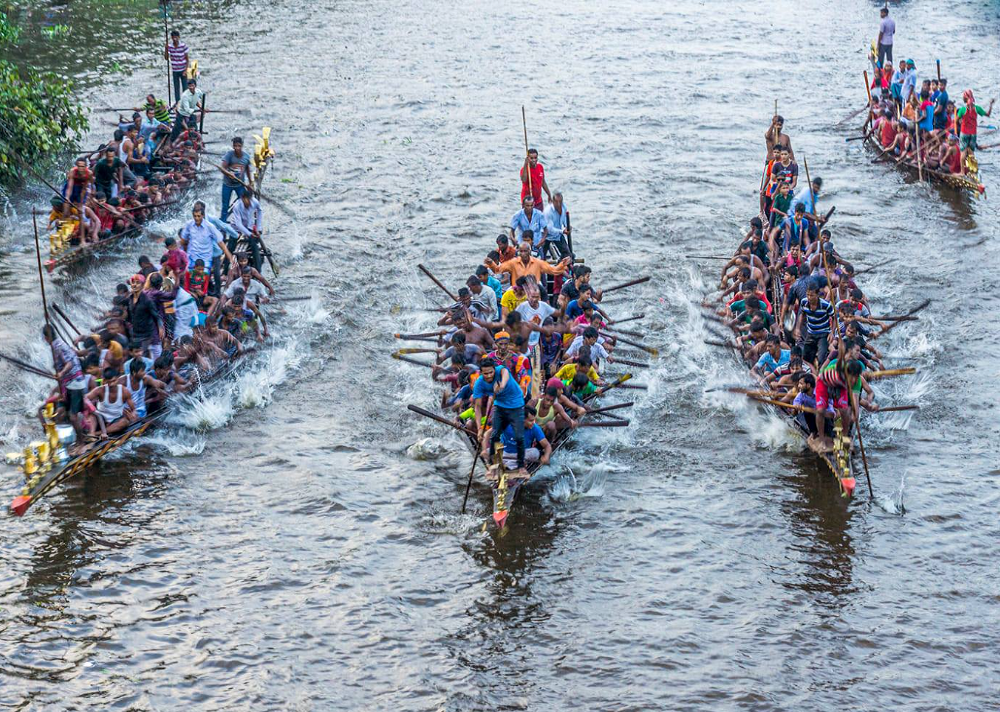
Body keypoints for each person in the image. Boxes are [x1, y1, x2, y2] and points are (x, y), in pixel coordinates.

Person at [472, 357, 528, 480]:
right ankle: (493, 466)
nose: (488, 376)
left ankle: (521, 466)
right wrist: (479, 428)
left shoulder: (501, 370)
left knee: (519, 437)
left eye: (491, 372)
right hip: (500, 405)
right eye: (485, 373)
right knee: (495, 435)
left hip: (516, 405)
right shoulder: (479, 383)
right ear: (481, 373)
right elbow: (477, 407)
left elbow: (505, 373)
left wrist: (501, 386)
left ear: (494, 370)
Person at [44, 323, 88, 447]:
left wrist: (61, 373)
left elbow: (69, 364)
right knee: (60, 412)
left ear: (46, 338)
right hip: (68, 383)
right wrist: (59, 373)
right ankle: (63, 441)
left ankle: (81, 442)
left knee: (73, 416)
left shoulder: (58, 346)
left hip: (75, 383)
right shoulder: (56, 345)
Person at [180, 205, 232, 295]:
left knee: (203, 280)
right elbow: (183, 240)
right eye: (195, 216)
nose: (196, 218)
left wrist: (230, 257)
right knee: (186, 278)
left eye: (198, 216)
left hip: (205, 259)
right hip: (192, 258)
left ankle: (206, 295)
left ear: (203, 215)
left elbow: (220, 243)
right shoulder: (189, 225)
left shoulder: (210, 226)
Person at [485, 240, 570, 286]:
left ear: (529, 251)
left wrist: (563, 264)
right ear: (518, 252)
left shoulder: (538, 263)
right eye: (521, 251)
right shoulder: (513, 263)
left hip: (534, 292)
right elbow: (498, 270)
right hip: (518, 293)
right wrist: (491, 263)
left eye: (525, 251)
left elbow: (554, 270)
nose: (523, 254)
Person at [499, 406, 552, 470]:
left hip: (523, 454)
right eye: (531, 420)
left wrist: (546, 457)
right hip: (505, 453)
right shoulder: (508, 424)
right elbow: (489, 433)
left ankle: (512, 465)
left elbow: (547, 445)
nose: (533, 423)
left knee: (535, 452)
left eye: (534, 420)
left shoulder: (535, 428)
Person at [794, 284, 834, 369]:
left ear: (817, 295)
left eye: (811, 295)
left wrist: (832, 332)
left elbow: (834, 318)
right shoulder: (804, 302)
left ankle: (820, 374)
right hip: (811, 333)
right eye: (807, 295)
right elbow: (802, 314)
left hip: (823, 334)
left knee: (821, 358)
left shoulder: (826, 305)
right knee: (806, 357)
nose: (809, 297)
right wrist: (797, 328)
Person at [956, 90, 995, 173]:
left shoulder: (962, 109)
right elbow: (988, 114)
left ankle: (962, 172)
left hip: (964, 133)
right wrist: (991, 105)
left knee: (963, 152)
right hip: (973, 133)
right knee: (971, 152)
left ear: (964, 99)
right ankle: (973, 171)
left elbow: (956, 120)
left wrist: (960, 121)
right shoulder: (977, 108)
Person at [227, 187, 264, 269]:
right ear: (242, 199)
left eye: (249, 200)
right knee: (230, 248)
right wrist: (249, 234)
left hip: (248, 226)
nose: (247, 203)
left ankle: (258, 270)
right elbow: (238, 224)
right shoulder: (237, 206)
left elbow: (260, 211)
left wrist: (258, 228)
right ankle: (225, 271)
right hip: (236, 228)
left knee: (254, 246)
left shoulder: (254, 202)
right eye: (245, 200)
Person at [221, 137, 252, 220]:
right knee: (225, 205)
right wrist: (228, 173)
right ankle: (223, 222)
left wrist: (250, 182)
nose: (237, 148)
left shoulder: (246, 157)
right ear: (233, 146)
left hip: (240, 184)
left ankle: (243, 220)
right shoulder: (229, 155)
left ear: (242, 146)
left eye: (239, 146)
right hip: (227, 184)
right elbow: (222, 168)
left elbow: (247, 169)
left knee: (244, 203)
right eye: (235, 146)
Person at [542, 191, 572, 259]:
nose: (558, 204)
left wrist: (567, 227)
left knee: (568, 255)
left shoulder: (564, 207)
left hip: (557, 235)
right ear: (553, 202)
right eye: (556, 202)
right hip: (545, 235)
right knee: (541, 257)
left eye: (560, 202)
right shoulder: (548, 211)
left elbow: (564, 219)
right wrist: (562, 231)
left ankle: (560, 264)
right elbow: (550, 229)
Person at [165, 29, 190, 104]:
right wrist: (166, 49)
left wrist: (186, 70)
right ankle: (178, 103)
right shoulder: (170, 47)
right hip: (175, 70)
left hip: (183, 70)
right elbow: (166, 58)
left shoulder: (183, 46)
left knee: (185, 88)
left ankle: (185, 102)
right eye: (173, 37)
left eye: (176, 37)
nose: (175, 39)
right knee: (176, 88)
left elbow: (187, 59)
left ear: (179, 37)